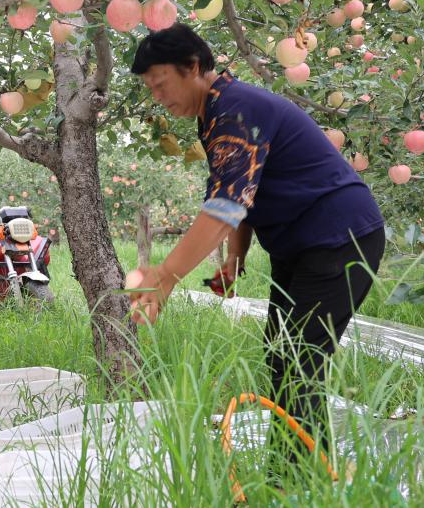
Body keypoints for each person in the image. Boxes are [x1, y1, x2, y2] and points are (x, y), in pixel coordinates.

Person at [126, 24, 385, 453]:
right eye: (150, 89)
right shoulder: (216, 113)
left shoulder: (235, 108)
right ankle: (296, 476)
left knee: (298, 362)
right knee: (283, 355)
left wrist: (167, 274)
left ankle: (295, 482)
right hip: (304, 244)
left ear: (192, 67)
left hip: (339, 238)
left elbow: (225, 204)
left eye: (160, 84)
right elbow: (243, 191)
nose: (158, 96)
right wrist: (234, 256)